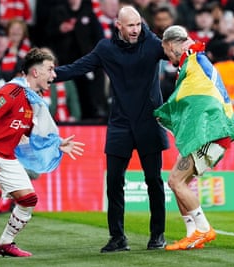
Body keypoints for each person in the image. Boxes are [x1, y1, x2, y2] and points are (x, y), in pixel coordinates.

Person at [55, 5, 169, 253]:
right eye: (130, 25)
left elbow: (176, 52)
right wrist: (48, 75)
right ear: (118, 25)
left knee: (154, 181)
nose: (135, 30)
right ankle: (117, 238)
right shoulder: (105, 48)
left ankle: (157, 235)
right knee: (114, 182)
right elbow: (78, 67)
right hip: (120, 124)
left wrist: (191, 49)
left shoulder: (153, 44)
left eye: (138, 24)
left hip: (149, 122)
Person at [0, 47, 85, 262]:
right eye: (50, 69)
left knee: (28, 199)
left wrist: (57, 144)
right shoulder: (12, 92)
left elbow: (26, 135)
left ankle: (5, 243)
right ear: (35, 72)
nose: (54, 75)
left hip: (6, 155)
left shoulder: (32, 100)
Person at [154, 25, 234, 251]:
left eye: (166, 50)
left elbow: (194, 100)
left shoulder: (194, 64)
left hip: (210, 135)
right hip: (211, 134)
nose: (167, 56)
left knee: (175, 181)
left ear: (172, 44)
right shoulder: (195, 61)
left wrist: (164, 113)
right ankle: (192, 234)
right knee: (179, 183)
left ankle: (203, 229)